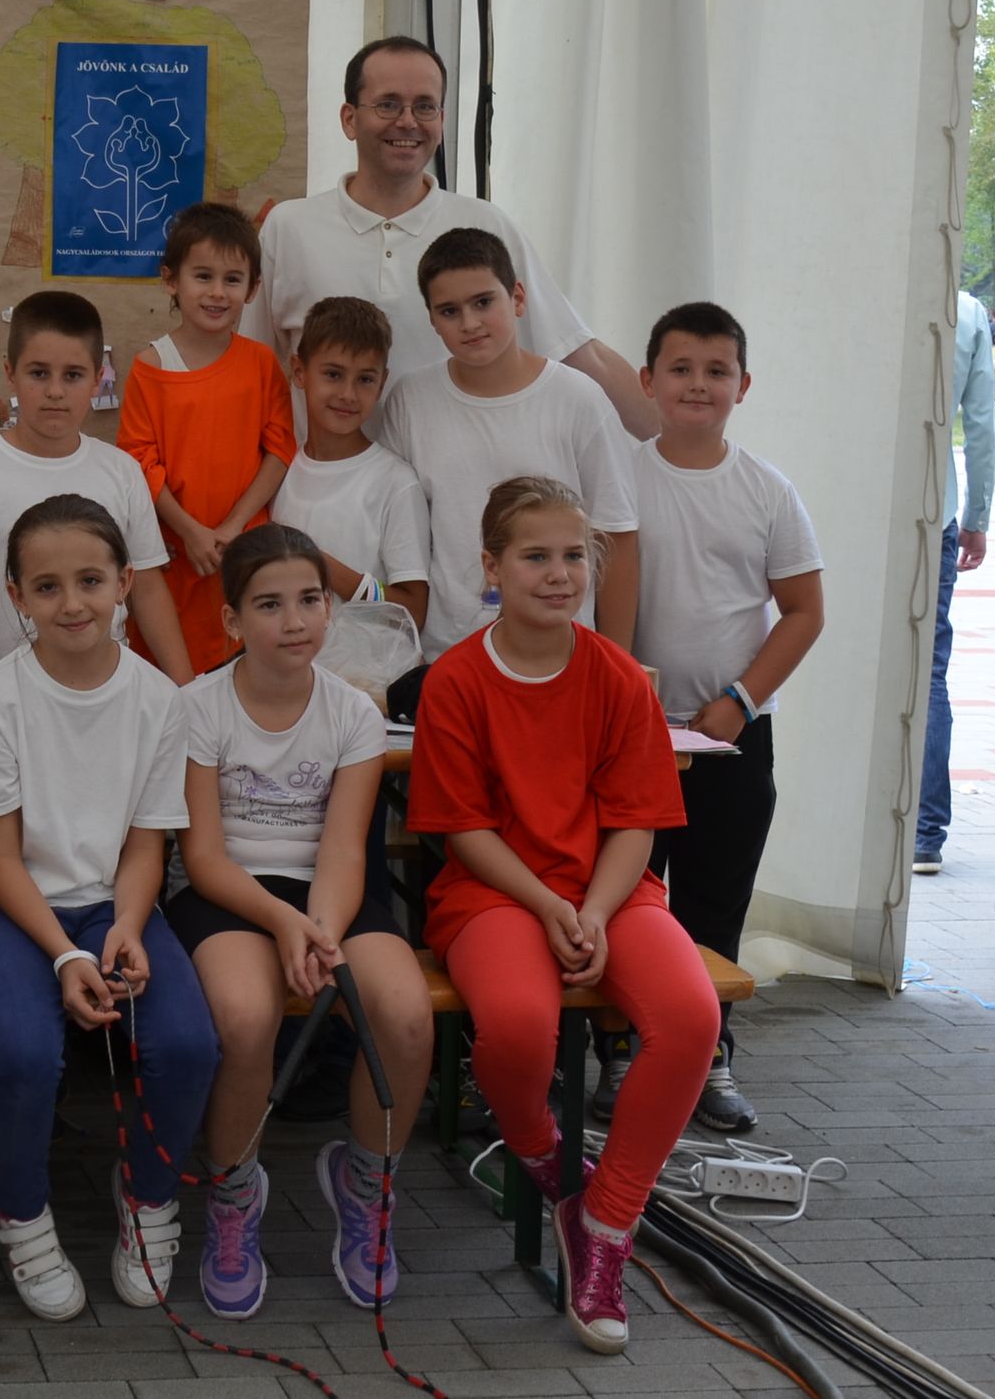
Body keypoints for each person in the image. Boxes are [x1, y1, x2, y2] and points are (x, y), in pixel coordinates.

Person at [407, 477, 716, 1355]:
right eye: (535, 556)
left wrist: (595, 912)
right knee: (515, 1025)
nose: (558, 574)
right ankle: (546, 1160)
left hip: (609, 891)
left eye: (574, 556)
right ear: (491, 567)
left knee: (691, 1016)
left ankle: (606, 1223)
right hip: (496, 893)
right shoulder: (456, 680)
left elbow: (635, 822)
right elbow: (463, 829)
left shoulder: (616, 675)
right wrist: (549, 905)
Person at [0, 496, 214, 1321]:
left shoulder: (159, 699)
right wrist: (66, 956)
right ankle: (22, 1214)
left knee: (187, 1042)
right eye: (48, 586)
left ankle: (149, 1194)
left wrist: (128, 927)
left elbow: (146, 844)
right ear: (17, 596)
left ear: (125, 582)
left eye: (91, 581)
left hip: (114, 903)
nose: (72, 603)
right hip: (8, 907)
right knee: (26, 1052)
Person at [169, 525, 428, 1321]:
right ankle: (234, 1192)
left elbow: (346, 850)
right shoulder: (196, 706)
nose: (294, 621)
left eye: (310, 600)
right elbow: (203, 857)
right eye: (270, 604)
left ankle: (367, 1182)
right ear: (232, 621)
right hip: (229, 894)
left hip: (329, 896)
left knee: (405, 1014)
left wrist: (318, 929)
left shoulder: (354, 713)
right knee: (245, 1016)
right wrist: (285, 924)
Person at [605, 304, 824, 1135]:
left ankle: (707, 1054)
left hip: (731, 738)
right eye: (681, 368)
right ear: (647, 379)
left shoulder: (767, 489)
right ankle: (618, 1049)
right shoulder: (616, 477)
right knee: (624, 899)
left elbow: (804, 611)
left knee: (712, 905)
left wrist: (740, 700)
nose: (698, 385)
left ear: (743, 385)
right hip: (626, 733)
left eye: (717, 371)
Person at [246, 36, 651, 438]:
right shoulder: (289, 227)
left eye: (424, 106)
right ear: (349, 119)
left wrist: (677, 448)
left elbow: (576, 352)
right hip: (324, 479)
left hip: (462, 478)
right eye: (388, 104)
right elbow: (246, 374)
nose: (407, 121)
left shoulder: (485, 225)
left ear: (441, 120)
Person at [371, 228, 640, 659]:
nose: (469, 323)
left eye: (483, 302)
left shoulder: (579, 399)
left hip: (562, 655)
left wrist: (617, 664)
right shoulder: (410, 400)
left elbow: (617, 537)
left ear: (517, 298)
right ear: (432, 321)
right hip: (448, 654)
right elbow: (397, 530)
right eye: (449, 311)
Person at [0, 290, 193, 686]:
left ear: (98, 379)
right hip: (8, 691)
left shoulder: (121, 470)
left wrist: (185, 690)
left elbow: (147, 588)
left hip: (109, 693)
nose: (55, 391)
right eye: (38, 373)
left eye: (73, 375)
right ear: (10, 372)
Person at [118, 201, 297, 674]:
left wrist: (233, 528)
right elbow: (137, 463)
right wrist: (190, 530)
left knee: (246, 671)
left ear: (253, 289)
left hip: (244, 553)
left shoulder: (261, 364)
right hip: (175, 556)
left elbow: (280, 449)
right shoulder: (150, 367)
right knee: (175, 678)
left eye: (232, 280)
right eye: (203, 276)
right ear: (171, 279)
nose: (217, 293)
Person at [272, 296, 431, 631]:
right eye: (333, 374)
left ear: (382, 382)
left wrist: (318, 564)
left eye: (365, 379)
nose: (348, 394)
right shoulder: (278, 472)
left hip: (369, 666)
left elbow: (413, 611)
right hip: (288, 663)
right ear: (299, 371)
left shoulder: (395, 483)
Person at [913, 290, 995, 875]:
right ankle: (925, 831)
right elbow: (981, 424)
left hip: (867, 505)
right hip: (935, 507)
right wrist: (977, 516)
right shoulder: (967, 311)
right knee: (929, 671)